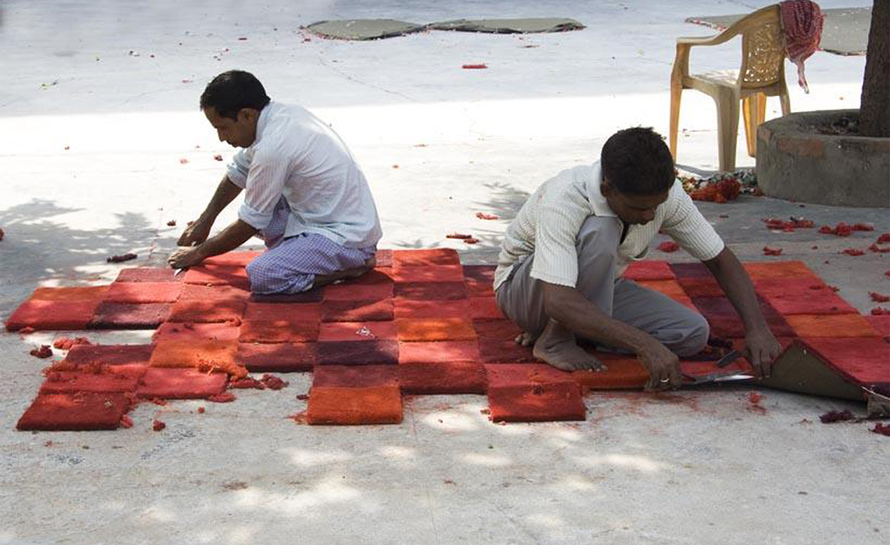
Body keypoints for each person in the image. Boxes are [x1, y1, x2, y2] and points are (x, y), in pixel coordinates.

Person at [494, 127, 781, 391]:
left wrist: (757, 328)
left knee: (692, 333)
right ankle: (555, 339)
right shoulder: (564, 197)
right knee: (601, 229)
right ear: (607, 189)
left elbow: (719, 259)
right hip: (526, 291)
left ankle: (576, 327)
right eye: (638, 208)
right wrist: (643, 344)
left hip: (589, 291)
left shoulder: (666, 197)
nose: (650, 216)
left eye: (657, 205)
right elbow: (556, 300)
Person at [169, 70, 382, 293]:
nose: (222, 138)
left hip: (346, 238)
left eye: (223, 128)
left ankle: (350, 267)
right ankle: (307, 254)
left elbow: (250, 223)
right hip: (318, 217)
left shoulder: (273, 148)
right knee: (260, 199)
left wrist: (199, 252)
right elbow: (238, 171)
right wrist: (205, 221)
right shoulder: (282, 114)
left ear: (247, 115)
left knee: (263, 274)